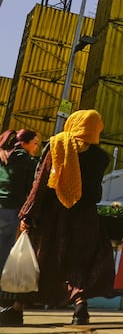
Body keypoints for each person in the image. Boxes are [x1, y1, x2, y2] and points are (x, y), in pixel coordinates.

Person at [0, 111, 114, 327]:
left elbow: (41, 182)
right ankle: (80, 308)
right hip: (85, 218)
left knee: (40, 260)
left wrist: (27, 213)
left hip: (54, 217)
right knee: (79, 262)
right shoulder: (101, 157)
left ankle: (16, 310)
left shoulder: (57, 145)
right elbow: (96, 193)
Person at [0, 129, 39, 306]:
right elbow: (31, 189)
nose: (37, 147)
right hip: (10, 209)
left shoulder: (2, 155)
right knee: (4, 253)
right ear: (24, 143)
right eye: (35, 143)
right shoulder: (26, 160)